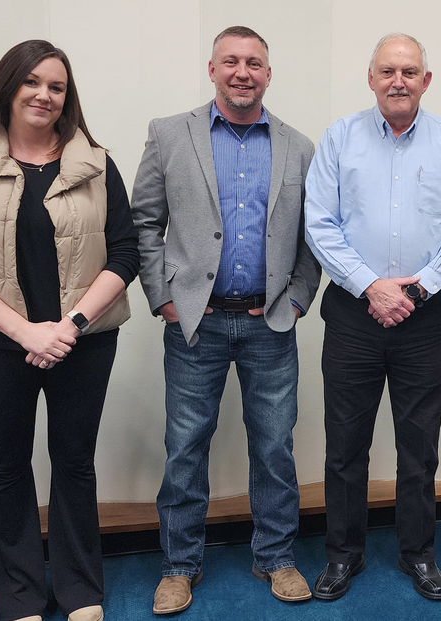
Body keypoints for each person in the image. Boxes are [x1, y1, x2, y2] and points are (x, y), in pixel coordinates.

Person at [0, 40, 138, 621]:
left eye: (58, 86)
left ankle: (79, 592)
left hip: (84, 339)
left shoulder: (94, 161)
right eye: (34, 82)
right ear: (9, 86)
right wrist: (26, 332)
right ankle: (18, 596)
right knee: (5, 465)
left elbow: (125, 254)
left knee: (74, 461)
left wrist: (68, 326)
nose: (45, 95)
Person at [130, 26, 320, 613]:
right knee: (186, 446)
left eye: (255, 63)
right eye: (231, 61)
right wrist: (162, 295)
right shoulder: (169, 135)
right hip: (194, 324)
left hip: (270, 326)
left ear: (269, 73)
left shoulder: (299, 147)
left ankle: (276, 557)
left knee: (274, 447)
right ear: (210, 68)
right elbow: (143, 222)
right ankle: (179, 567)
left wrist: (295, 300)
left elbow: (315, 238)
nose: (243, 72)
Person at [304, 32, 441, 602]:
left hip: (424, 317)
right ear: (373, 78)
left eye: (409, 71)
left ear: (425, 81)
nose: (398, 81)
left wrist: (417, 288)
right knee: (345, 445)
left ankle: (418, 553)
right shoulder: (339, 139)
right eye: (388, 71)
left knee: (419, 445)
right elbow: (319, 224)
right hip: (354, 315)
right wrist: (373, 287)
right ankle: (342, 555)